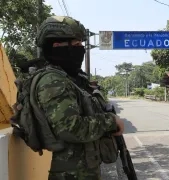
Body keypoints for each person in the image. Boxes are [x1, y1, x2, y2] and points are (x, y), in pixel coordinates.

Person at [35, 16, 124, 180]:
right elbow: (70, 128)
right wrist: (110, 121)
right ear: (57, 46)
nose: (81, 50)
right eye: (76, 45)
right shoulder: (52, 81)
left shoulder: (71, 78)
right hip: (69, 174)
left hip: (82, 171)